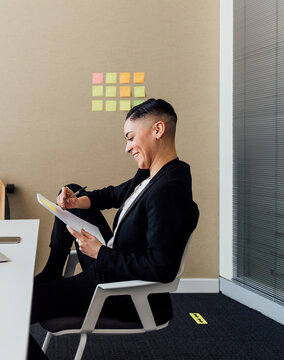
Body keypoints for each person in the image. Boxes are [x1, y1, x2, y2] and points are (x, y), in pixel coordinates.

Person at [28, 99, 199, 359]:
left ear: (158, 130)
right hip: (109, 264)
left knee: (17, 306)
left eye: (131, 138)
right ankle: (52, 271)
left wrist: (100, 253)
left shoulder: (169, 190)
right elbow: (112, 195)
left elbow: (162, 268)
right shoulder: (151, 174)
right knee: (73, 187)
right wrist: (75, 201)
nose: (127, 147)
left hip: (119, 290)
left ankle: (51, 280)